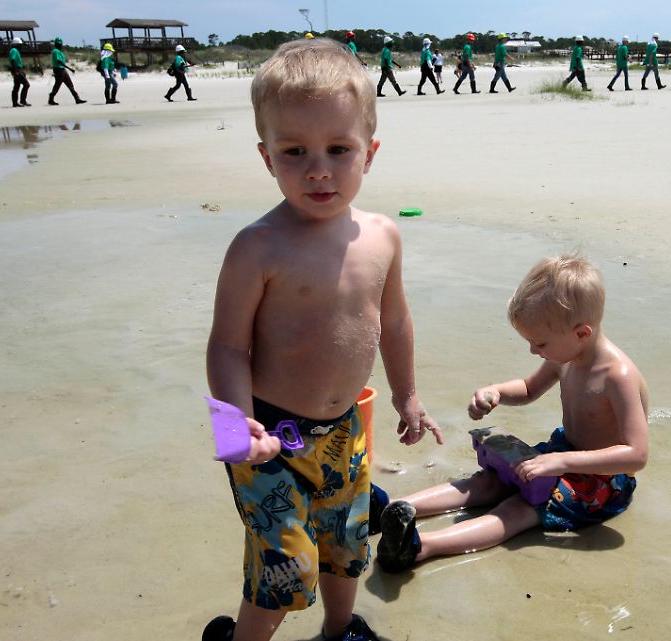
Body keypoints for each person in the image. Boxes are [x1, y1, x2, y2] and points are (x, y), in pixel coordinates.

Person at [200, 37, 441, 641]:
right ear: (266, 157)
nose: (318, 169)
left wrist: (407, 395)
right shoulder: (258, 247)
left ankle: (340, 631)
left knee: (346, 543)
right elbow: (227, 346)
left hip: (345, 432)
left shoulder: (383, 236)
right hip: (268, 439)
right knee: (285, 569)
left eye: (339, 149)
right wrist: (234, 431)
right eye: (294, 152)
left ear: (370, 151)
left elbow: (396, 322)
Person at [375, 254, 649, 573]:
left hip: (601, 480)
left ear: (581, 333)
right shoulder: (566, 355)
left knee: (519, 507)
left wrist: (562, 462)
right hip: (559, 454)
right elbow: (529, 388)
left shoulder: (618, 377)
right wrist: (497, 392)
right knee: (490, 482)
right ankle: (394, 509)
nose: (534, 351)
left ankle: (420, 548)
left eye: (540, 343)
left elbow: (636, 455)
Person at [48, 37, 86, 105]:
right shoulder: (55, 51)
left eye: (60, 44)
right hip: (58, 70)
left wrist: (66, 68)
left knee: (70, 84)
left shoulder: (60, 52)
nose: (60, 45)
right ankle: (51, 98)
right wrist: (69, 68)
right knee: (57, 85)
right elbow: (59, 61)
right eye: (58, 44)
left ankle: (77, 99)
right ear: (56, 44)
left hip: (63, 69)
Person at [7, 37, 31, 107]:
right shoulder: (14, 50)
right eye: (20, 45)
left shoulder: (14, 50)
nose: (21, 46)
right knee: (26, 84)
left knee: (16, 86)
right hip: (17, 69)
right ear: (16, 45)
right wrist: (16, 71)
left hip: (17, 69)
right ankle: (22, 101)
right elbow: (13, 60)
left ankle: (15, 103)